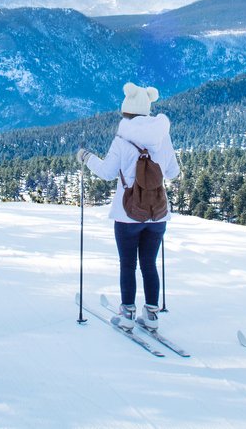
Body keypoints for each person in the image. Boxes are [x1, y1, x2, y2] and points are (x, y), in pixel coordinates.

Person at [78, 82, 180, 332]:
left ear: (127, 112)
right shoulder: (163, 136)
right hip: (157, 214)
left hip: (127, 214)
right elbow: (173, 172)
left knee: (128, 264)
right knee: (149, 263)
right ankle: (152, 314)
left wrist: (87, 158)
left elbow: (106, 172)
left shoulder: (122, 139)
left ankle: (127, 314)